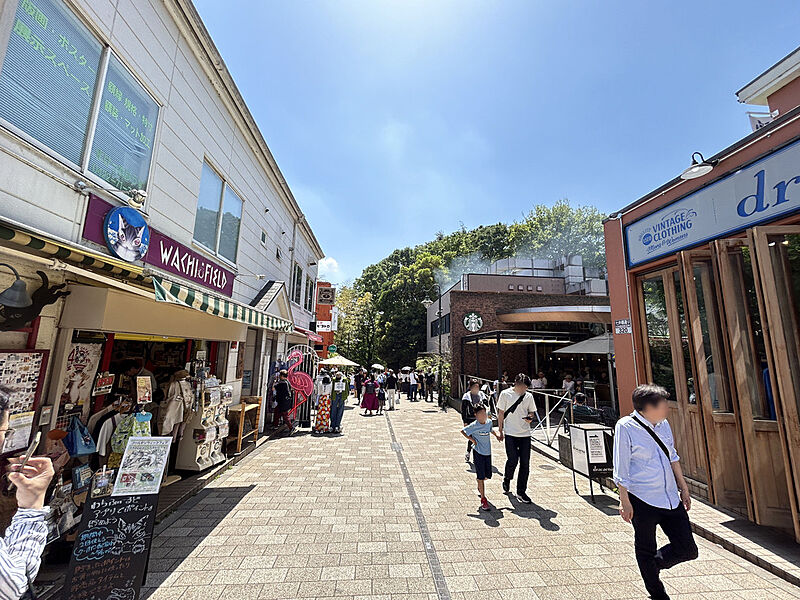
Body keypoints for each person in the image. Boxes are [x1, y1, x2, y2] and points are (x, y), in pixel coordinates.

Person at [614, 384, 698, 600]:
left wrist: (684, 487)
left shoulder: (663, 424)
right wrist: (624, 500)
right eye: (663, 404)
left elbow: (672, 456)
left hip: (670, 496)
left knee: (688, 549)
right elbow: (621, 467)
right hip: (641, 498)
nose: (667, 408)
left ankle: (653, 564)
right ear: (647, 407)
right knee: (645, 546)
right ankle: (657, 593)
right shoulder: (626, 427)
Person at [497, 373, 538, 503]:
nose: (524, 389)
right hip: (510, 433)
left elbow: (531, 411)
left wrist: (530, 418)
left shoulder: (529, 396)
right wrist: (500, 430)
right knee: (512, 460)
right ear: (516, 384)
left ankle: (521, 491)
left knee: (525, 464)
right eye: (522, 387)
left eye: (526, 387)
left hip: (525, 434)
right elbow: (501, 413)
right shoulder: (505, 394)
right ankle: (507, 479)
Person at [461, 405, 501, 512]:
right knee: (481, 476)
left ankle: (479, 482)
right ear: (476, 415)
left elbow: (490, 429)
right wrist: (472, 440)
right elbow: (463, 431)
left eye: (484, 413)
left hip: (487, 453)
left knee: (488, 476)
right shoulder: (474, 425)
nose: (483, 416)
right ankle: (483, 499)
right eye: (480, 414)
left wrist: (496, 435)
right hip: (478, 453)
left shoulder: (488, 422)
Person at [461, 380, 487, 463]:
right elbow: (463, 410)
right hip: (470, 419)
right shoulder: (467, 396)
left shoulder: (481, 394)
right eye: (475, 387)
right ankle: (468, 452)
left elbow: (486, 405)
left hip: (480, 419)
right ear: (470, 387)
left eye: (477, 387)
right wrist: (465, 421)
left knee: (479, 437)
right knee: (473, 437)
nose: (476, 388)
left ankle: (478, 455)